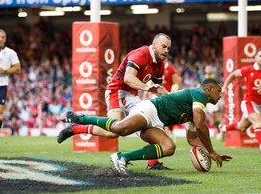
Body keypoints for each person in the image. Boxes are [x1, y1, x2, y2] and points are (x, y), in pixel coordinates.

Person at [59, 78, 233, 175]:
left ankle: (122, 157)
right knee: (119, 129)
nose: (221, 95)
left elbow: (192, 138)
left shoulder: (198, 106)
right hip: (151, 109)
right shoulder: (199, 94)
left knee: (169, 147)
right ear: (209, 89)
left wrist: (205, 152)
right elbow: (201, 125)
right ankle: (81, 118)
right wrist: (211, 151)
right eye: (219, 90)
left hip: (157, 122)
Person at [59, 33, 172, 170]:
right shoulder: (140, 54)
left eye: (168, 48)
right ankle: (76, 127)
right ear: (154, 45)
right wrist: (147, 88)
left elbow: (159, 88)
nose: (166, 51)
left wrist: (173, 98)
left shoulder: (159, 64)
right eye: (164, 47)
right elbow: (128, 78)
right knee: (113, 131)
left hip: (132, 95)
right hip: (117, 91)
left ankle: (153, 163)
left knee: (151, 122)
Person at [219, 48, 261, 155]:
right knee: (259, 122)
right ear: (255, 57)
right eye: (260, 56)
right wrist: (225, 87)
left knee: (242, 127)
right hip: (248, 102)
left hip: (259, 105)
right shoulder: (249, 69)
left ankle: (224, 128)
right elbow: (233, 75)